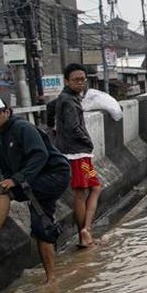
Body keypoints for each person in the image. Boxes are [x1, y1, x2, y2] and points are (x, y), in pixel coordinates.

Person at [0, 97, 70, 284]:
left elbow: (39, 155)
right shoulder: (0, 140)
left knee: (42, 225)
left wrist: (16, 180)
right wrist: (4, 183)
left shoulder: (22, 128)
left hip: (53, 176)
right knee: (37, 219)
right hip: (34, 179)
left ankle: (51, 278)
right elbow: (7, 172)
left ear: (7, 112)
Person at [55, 64, 101, 248]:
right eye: (76, 80)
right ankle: (84, 233)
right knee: (82, 193)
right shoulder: (69, 101)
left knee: (94, 187)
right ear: (67, 81)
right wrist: (87, 142)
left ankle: (85, 230)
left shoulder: (66, 98)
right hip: (77, 156)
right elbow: (74, 127)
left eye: (83, 79)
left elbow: (51, 111)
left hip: (76, 154)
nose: (80, 83)